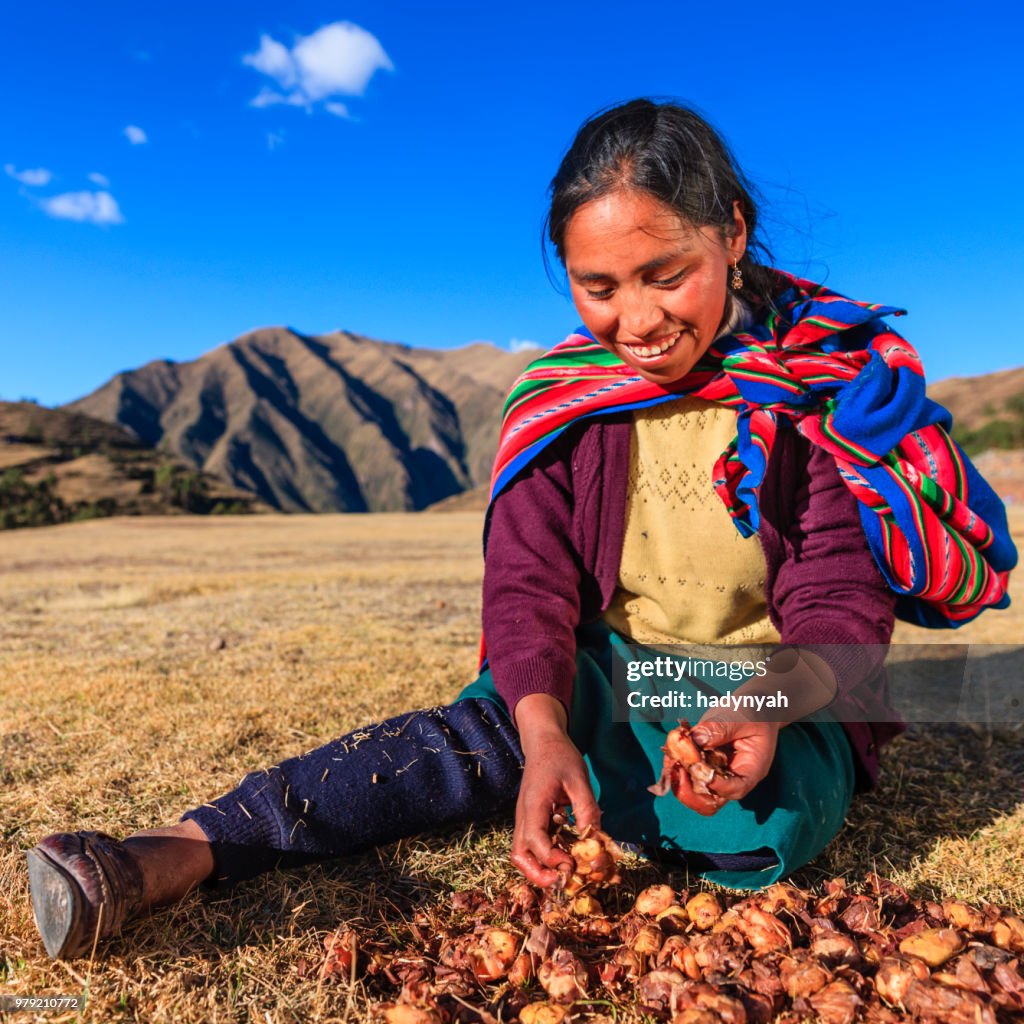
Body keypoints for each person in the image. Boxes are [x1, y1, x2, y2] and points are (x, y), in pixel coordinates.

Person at [26, 99, 1015, 961]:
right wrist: (543, 728)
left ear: (733, 233)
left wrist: (755, 712)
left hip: (776, 686)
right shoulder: (567, 400)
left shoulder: (807, 398)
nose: (636, 318)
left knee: (768, 824)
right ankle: (179, 851)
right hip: (620, 672)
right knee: (482, 732)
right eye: (599, 287)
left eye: (665, 273)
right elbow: (529, 586)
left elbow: (838, 602)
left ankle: (578, 784)